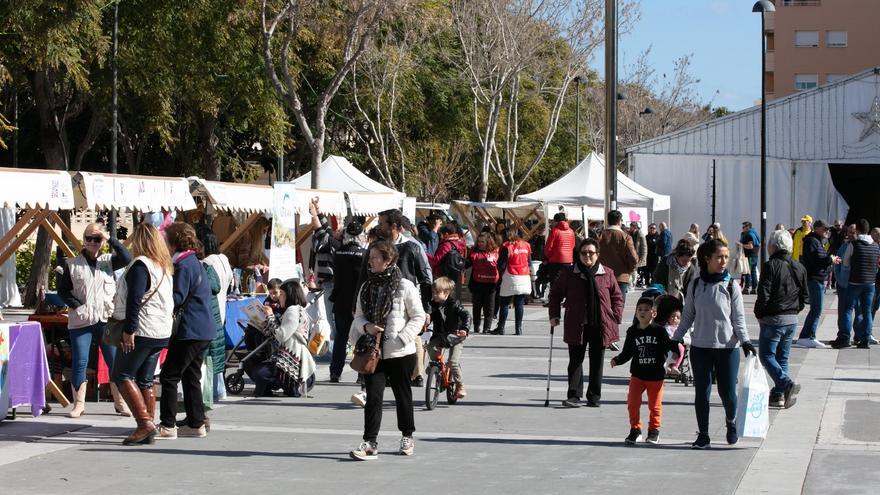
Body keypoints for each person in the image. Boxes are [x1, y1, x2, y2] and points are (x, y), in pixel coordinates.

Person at [672, 239, 754, 449]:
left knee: (727, 393)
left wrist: (745, 341)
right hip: (700, 347)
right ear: (707, 258)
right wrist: (675, 339)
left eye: (726, 257)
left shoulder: (731, 285)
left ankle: (731, 423)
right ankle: (704, 434)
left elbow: (738, 319)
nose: (724, 261)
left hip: (727, 348)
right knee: (702, 392)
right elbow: (688, 315)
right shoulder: (696, 284)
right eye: (719, 257)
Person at [348, 240, 427, 461]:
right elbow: (358, 316)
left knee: (403, 395)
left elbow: (418, 316)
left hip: (401, 352)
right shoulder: (367, 286)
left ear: (388, 260)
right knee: (373, 397)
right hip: (374, 351)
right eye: (370, 257)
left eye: (375, 258)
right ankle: (370, 442)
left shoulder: (404, 286)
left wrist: (402, 338)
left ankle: (407, 435)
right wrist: (367, 327)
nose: (370, 262)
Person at [58, 223, 132, 418]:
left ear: (101, 241)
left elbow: (127, 257)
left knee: (113, 361)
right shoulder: (72, 264)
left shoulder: (109, 261)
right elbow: (63, 291)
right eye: (89, 238)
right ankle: (79, 404)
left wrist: (110, 238)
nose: (92, 242)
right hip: (81, 320)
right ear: (83, 240)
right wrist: (77, 305)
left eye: (96, 239)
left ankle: (120, 402)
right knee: (80, 361)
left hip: (105, 319)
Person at [110, 223, 174, 445]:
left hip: (143, 329)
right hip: (160, 330)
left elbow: (134, 300)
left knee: (122, 375)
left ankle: (144, 423)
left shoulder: (141, 265)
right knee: (145, 379)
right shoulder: (163, 266)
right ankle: (150, 424)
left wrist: (129, 329)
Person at [549, 238, 623, 408]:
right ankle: (574, 395)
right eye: (584, 253)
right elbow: (555, 294)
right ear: (579, 254)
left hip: (600, 324)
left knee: (597, 362)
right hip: (577, 323)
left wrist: (616, 316)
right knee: (575, 361)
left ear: (597, 254)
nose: (587, 255)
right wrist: (554, 315)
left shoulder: (608, 273)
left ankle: (594, 396)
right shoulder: (569, 273)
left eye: (591, 252)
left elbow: (617, 297)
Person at [157, 223, 216, 439]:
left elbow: (177, 298)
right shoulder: (193, 261)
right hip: (203, 329)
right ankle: (196, 422)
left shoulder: (183, 265)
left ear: (174, 242)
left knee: (169, 376)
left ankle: (168, 424)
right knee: (191, 375)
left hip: (190, 329)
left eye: (166, 239)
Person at [369, 209, 432, 386]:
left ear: (394, 226)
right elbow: (363, 276)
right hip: (379, 303)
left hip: (405, 304)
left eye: (382, 224)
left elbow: (425, 279)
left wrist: (427, 309)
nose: (378, 227)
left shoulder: (412, 247)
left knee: (411, 338)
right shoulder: (376, 247)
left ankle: (416, 373)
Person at [754, 229, 808, 409]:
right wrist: (795, 310)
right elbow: (804, 296)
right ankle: (778, 394)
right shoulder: (799, 266)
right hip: (791, 318)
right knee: (782, 357)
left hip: (773, 317)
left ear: (774, 246)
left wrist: (759, 312)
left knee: (766, 355)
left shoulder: (771, 265)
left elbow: (764, 293)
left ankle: (786, 384)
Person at [611, 297, 672, 445]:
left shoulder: (660, 331)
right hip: (637, 374)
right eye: (640, 309)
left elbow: (667, 350)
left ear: (654, 313)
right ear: (636, 313)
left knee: (654, 405)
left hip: (656, 375)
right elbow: (627, 352)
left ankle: (653, 432)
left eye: (646, 309)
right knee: (632, 403)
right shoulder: (632, 331)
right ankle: (635, 430)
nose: (642, 312)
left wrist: (670, 363)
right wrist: (617, 360)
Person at [254, 280, 316, 397]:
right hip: (290, 357)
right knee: (257, 369)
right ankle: (282, 386)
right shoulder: (294, 309)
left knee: (258, 373)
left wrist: (270, 316)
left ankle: (289, 386)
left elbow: (281, 335)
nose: (279, 298)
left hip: (292, 360)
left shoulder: (292, 311)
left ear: (290, 295)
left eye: (282, 294)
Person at [195, 224, 233, 402]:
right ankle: (220, 388)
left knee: (209, 355)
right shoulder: (223, 259)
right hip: (222, 310)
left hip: (210, 311)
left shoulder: (206, 263)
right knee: (217, 352)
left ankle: (213, 390)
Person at [329, 221, 367, 383]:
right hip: (359, 302)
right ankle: (361, 373)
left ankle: (335, 372)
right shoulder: (364, 254)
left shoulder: (338, 253)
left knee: (341, 337)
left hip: (340, 300)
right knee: (361, 337)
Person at [833, 219, 879, 349]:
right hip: (870, 284)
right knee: (867, 312)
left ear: (858, 230)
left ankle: (844, 338)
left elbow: (846, 263)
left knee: (847, 310)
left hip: (855, 282)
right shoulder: (876, 245)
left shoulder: (854, 244)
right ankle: (865, 340)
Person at [425, 277, 470, 399]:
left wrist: (464, 329)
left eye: (437, 293)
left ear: (446, 293)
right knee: (430, 346)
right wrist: (425, 321)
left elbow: (466, 315)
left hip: (455, 337)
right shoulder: (432, 305)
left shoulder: (455, 304)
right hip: (440, 335)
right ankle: (434, 365)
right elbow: (427, 315)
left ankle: (460, 385)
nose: (434, 295)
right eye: (433, 292)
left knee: (453, 362)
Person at [797, 220, 839, 348]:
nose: (827, 231)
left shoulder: (817, 241)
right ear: (817, 229)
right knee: (816, 309)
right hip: (814, 279)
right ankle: (808, 336)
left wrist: (830, 260)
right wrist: (829, 259)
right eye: (825, 229)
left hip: (818, 279)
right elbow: (816, 261)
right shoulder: (812, 241)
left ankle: (807, 335)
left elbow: (819, 260)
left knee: (816, 309)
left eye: (828, 229)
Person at [494, 229, 532, 335]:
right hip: (524, 275)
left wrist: (500, 274)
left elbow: (501, 264)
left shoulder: (507, 246)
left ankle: (501, 327)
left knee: (505, 303)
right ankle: (518, 329)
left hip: (510, 275)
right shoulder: (526, 245)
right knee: (519, 303)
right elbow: (529, 262)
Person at [598, 210, 638, 303]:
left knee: (605, 306)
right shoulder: (626, 237)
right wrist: (630, 270)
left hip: (602, 275)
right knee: (618, 306)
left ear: (608, 221)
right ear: (620, 221)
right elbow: (633, 258)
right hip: (621, 276)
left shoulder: (600, 235)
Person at [467, 232, 499, 334]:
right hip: (477, 283)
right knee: (477, 306)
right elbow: (468, 263)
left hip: (491, 284)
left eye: (482, 242)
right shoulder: (474, 251)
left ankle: (487, 327)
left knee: (489, 307)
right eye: (479, 241)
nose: (480, 244)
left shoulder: (495, 251)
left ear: (488, 242)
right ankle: (476, 326)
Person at [429, 224, 467, 299]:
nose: (440, 236)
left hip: (442, 275)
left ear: (446, 234)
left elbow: (436, 260)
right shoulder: (460, 243)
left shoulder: (446, 245)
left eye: (441, 234)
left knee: (442, 297)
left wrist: (425, 254)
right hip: (456, 274)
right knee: (452, 297)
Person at [234, 215, 270, 288]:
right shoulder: (247, 238)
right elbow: (243, 262)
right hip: (244, 280)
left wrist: (262, 264)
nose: (264, 234)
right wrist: (258, 266)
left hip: (249, 278)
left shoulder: (253, 240)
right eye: (263, 231)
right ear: (258, 229)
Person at [543, 212, 576, 286]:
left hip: (556, 260)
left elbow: (548, 247)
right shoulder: (571, 231)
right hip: (568, 261)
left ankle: (555, 297)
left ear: (556, 221)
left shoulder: (555, 231)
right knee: (566, 281)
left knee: (555, 282)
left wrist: (548, 256)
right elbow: (573, 245)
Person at [739, 221, 761, 295]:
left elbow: (751, 246)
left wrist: (741, 245)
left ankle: (747, 288)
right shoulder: (754, 233)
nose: (742, 228)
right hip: (754, 255)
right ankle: (754, 288)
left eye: (744, 227)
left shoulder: (749, 234)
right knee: (753, 271)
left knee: (748, 271)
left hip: (750, 255)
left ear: (748, 227)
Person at [630, 222, 647, 287]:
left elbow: (644, 247)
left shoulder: (640, 234)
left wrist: (643, 258)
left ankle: (633, 284)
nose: (630, 228)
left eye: (631, 226)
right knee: (632, 269)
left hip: (637, 254)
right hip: (632, 254)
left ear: (634, 227)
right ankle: (631, 283)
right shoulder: (631, 234)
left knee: (634, 269)